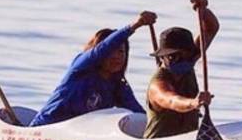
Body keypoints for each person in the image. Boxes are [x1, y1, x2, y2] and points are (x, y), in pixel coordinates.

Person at [29, 11, 157, 126]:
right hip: (46, 129)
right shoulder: (80, 68)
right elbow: (102, 48)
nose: (117, 57)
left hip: (79, 138)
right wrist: (135, 25)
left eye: (121, 52)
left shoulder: (118, 85)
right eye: (111, 52)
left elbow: (138, 114)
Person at [144, 0, 220, 140]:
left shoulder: (189, 60)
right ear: (162, 57)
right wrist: (194, 103)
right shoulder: (158, 84)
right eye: (172, 56)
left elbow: (211, 28)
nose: (181, 60)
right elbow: (172, 100)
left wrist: (204, 11)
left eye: (185, 55)